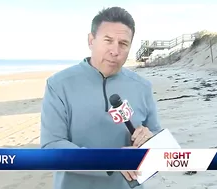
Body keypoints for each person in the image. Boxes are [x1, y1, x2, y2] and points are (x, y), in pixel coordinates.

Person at [40, 6, 162, 189]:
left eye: (123, 43)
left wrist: (151, 140)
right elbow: (51, 147)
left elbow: (160, 148)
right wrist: (110, 160)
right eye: (108, 40)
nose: (115, 51)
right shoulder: (58, 85)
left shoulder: (142, 87)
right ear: (91, 40)